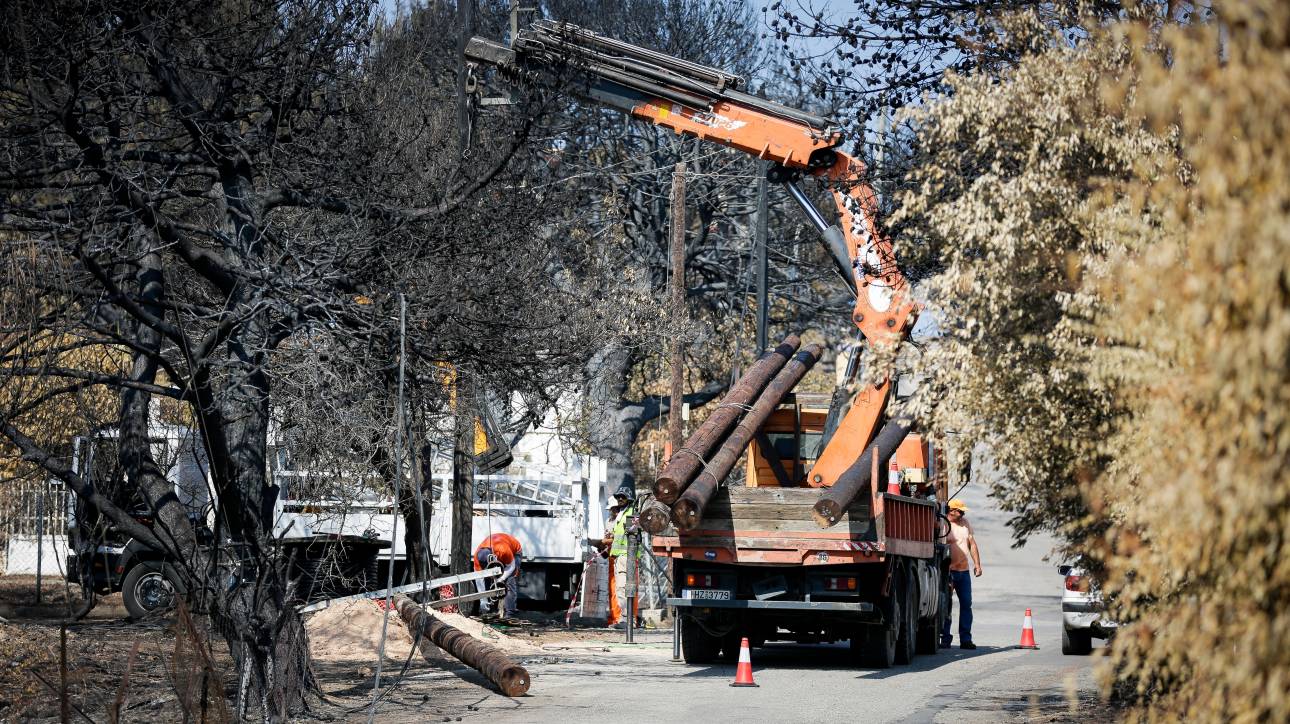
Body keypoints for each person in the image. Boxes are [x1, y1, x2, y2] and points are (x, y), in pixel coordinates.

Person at [941, 498, 983, 649]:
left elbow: (972, 544)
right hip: (949, 572)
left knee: (966, 604)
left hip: (964, 572)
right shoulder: (944, 524)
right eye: (960, 511)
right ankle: (945, 638)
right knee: (946, 605)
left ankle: (966, 639)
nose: (963, 513)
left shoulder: (965, 523)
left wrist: (977, 565)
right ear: (952, 511)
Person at [607, 484, 643, 628]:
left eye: (623, 496)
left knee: (625, 588)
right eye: (618, 496)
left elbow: (633, 535)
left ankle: (628, 620)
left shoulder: (632, 512)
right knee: (620, 589)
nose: (620, 499)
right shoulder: (622, 513)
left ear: (629, 498)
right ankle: (625, 619)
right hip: (619, 557)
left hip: (627, 556)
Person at [474, 532, 523, 618]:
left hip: (514, 552)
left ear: (493, 558)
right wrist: (483, 600)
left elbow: (511, 567)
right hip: (500, 553)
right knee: (487, 580)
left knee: (510, 580)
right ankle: (490, 610)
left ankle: (510, 613)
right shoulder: (477, 557)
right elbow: (479, 580)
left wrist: (501, 578)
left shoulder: (503, 550)